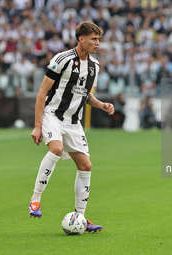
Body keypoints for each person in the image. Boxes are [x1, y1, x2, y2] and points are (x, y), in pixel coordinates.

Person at [29, 21, 115, 233]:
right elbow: (42, 93)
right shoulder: (62, 59)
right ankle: (36, 198)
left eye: (98, 40)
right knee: (56, 149)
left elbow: (84, 94)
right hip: (53, 116)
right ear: (81, 39)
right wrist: (37, 126)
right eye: (94, 39)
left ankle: (82, 218)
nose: (97, 43)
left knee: (86, 166)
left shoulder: (95, 65)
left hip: (73, 123)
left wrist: (101, 104)